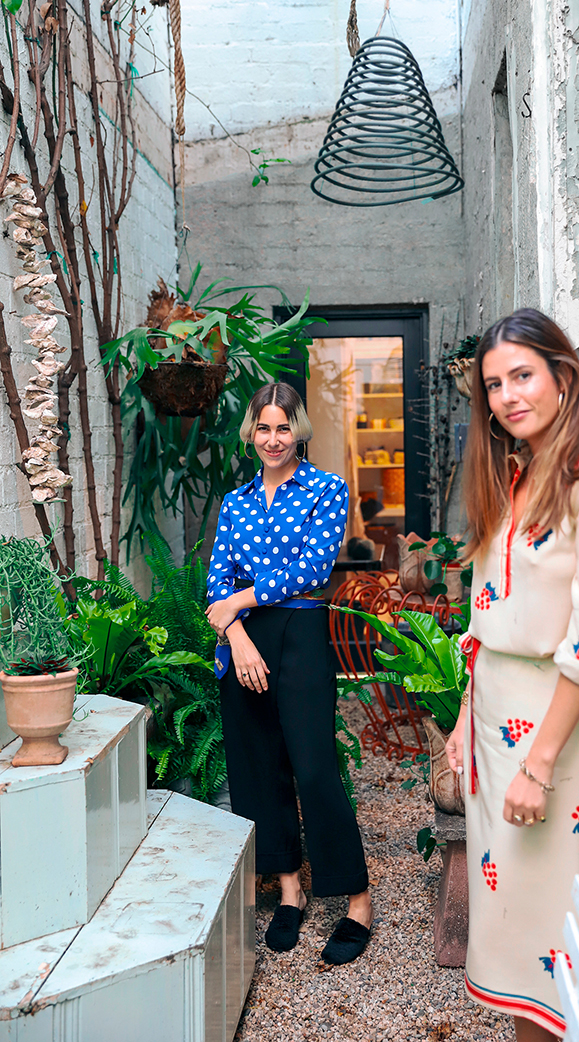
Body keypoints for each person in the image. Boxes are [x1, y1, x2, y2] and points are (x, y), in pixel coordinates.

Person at [445, 310, 579, 1041]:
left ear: (562, 376)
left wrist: (538, 767)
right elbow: (487, 617)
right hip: (490, 726)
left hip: (554, 737)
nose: (509, 396)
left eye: (522, 375)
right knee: (509, 926)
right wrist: (459, 719)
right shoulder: (510, 475)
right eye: (493, 385)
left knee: (557, 936)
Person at [205, 381, 373, 965]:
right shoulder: (236, 502)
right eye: (263, 428)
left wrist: (235, 605)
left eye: (284, 427)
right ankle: (291, 892)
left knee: (313, 766)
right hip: (244, 641)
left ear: (298, 429)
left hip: (301, 635)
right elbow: (214, 582)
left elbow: (310, 570)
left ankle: (356, 901)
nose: (273, 439)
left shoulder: (327, 489)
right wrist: (237, 634)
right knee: (258, 767)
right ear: (250, 433)